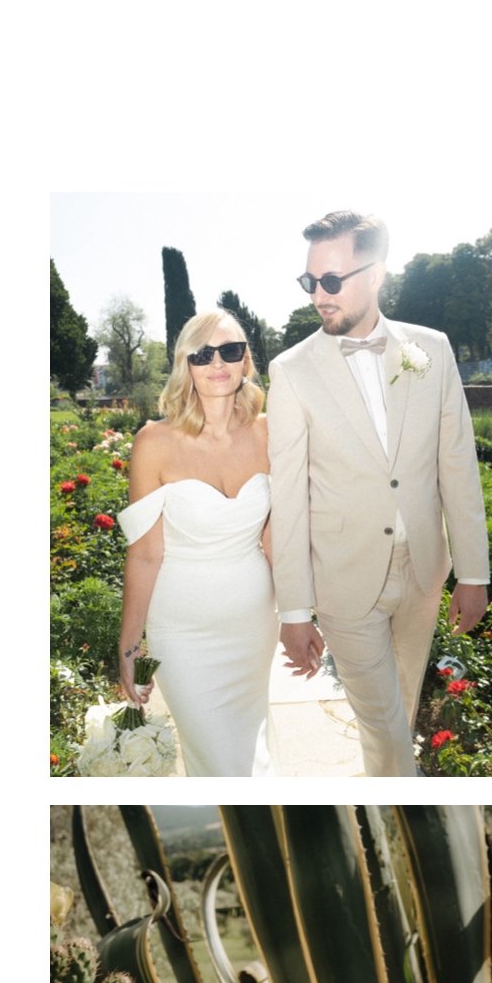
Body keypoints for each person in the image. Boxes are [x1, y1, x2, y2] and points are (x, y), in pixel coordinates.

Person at [267, 209, 490, 777]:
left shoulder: (432, 349)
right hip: (344, 580)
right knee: (388, 730)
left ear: (376, 275)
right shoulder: (291, 371)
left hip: (422, 575)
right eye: (310, 281)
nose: (320, 295)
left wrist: (472, 574)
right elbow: (288, 497)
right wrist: (294, 611)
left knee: (399, 715)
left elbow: (457, 466)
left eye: (332, 281)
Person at [117, 311, 277, 776]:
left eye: (230, 350)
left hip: (254, 627)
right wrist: (129, 647)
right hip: (183, 634)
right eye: (202, 354)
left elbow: (272, 534)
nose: (217, 363)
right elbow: (146, 552)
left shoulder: (269, 432)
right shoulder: (155, 442)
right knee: (221, 765)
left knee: (251, 754)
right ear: (185, 365)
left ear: (246, 360)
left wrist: (296, 615)